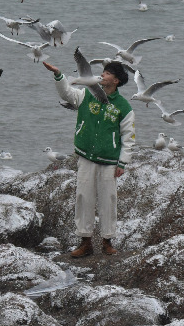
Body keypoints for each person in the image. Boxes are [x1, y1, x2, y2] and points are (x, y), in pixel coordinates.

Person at [43, 59, 136, 257]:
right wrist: (58, 75)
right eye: (103, 72)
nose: (102, 75)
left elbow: (129, 137)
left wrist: (123, 162)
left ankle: (107, 242)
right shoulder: (87, 94)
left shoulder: (124, 107)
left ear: (117, 81)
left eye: (107, 73)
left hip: (109, 162)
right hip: (86, 157)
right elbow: (66, 93)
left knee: (108, 200)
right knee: (83, 197)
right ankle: (85, 242)